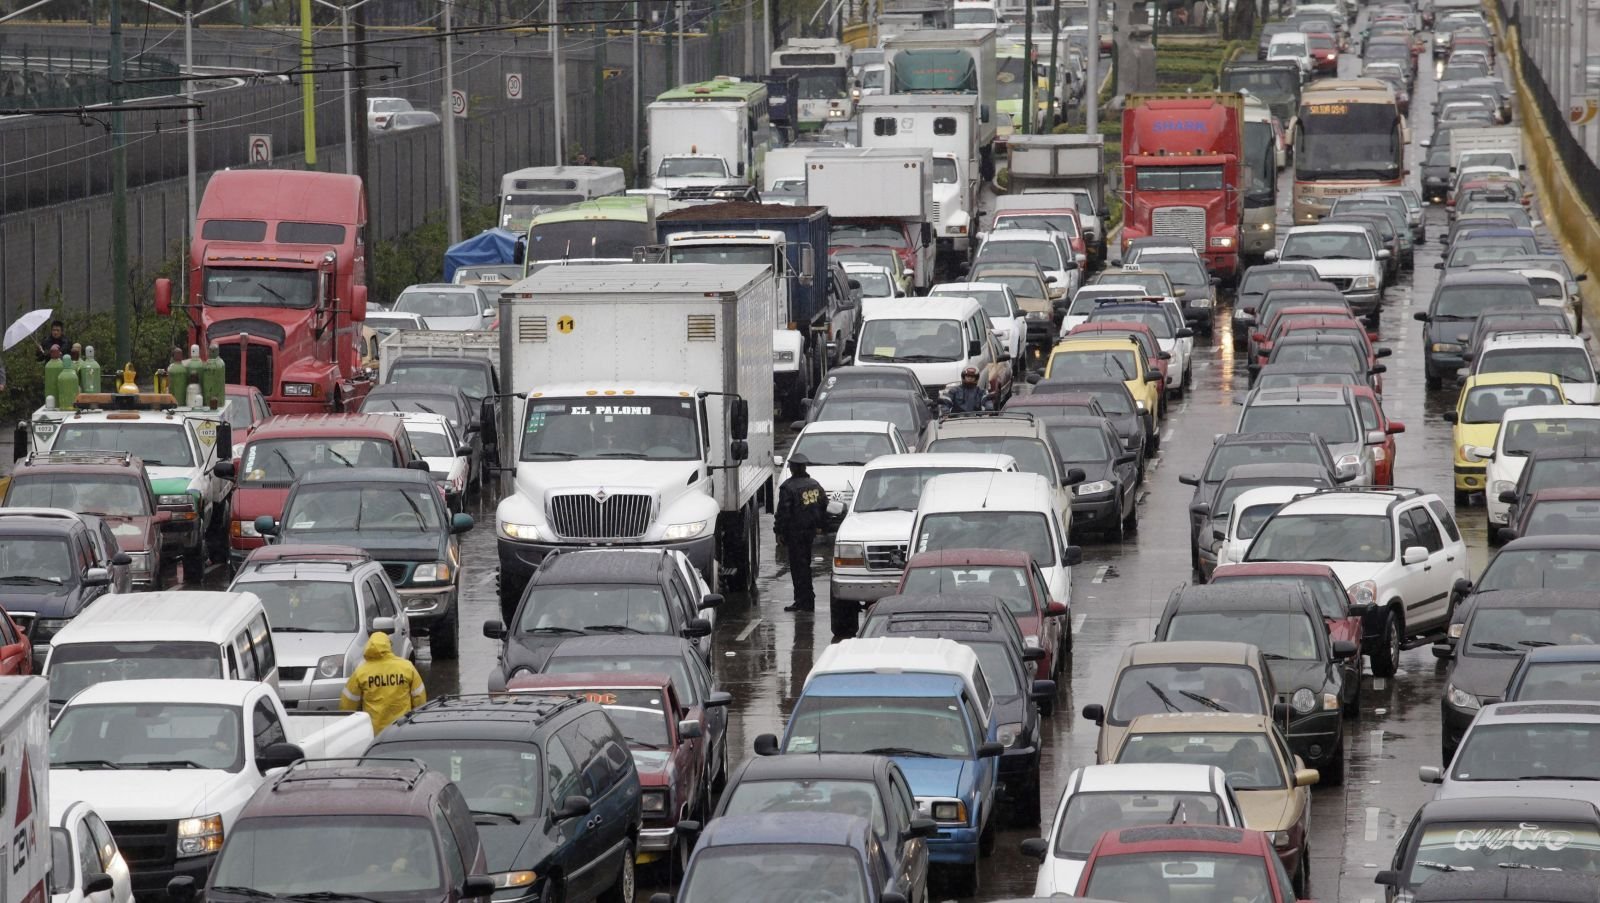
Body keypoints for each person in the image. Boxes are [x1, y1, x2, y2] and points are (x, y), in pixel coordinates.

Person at [340, 631, 426, 732]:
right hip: (402, 727)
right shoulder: (406, 667)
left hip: (374, 732)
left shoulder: (361, 671)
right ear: (388, 646)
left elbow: (348, 703)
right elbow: (419, 698)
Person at [776, 453, 827, 619]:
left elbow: (783, 513)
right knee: (805, 566)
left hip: (795, 534)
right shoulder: (815, 485)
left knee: (798, 569)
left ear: (793, 468)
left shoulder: (788, 488)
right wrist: (819, 525)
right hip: (809, 533)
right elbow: (824, 505)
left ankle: (802, 601)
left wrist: (779, 532)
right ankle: (807, 600)